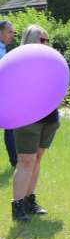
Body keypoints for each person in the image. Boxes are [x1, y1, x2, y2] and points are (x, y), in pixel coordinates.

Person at [11, 25, 59, 222]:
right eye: (42, 40)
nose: (46, 44)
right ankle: (18, 206)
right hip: (27, 118)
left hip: (49, 117)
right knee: (26, 161)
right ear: (30, 40)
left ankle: (30, 201)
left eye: (47, 40)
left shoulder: (50, 62)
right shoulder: (18, 62)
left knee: (37, 159)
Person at [0, 20, 17, 169]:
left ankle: (15, 162)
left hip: (4, 97)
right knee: (10, 127)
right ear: (1, 32)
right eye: (10, 31)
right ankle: (15, 162)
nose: (12, 34)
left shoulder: (3, 49)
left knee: (10, 127)